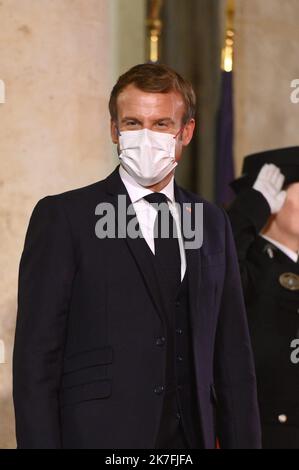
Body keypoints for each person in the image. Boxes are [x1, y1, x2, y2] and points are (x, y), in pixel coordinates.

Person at [13, 63, 261, 449]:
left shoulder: (211, 222)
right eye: (133, 123)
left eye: (161, 124)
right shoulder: (65, 217)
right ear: (114, 130)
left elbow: (233, 357)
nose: (146, 137)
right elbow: (36, 360)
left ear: (186, 132)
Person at [228, 147, 299, 449]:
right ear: (274, 199)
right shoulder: (249, 263)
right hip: (266, 435)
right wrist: (249, 210)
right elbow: (212, 265)